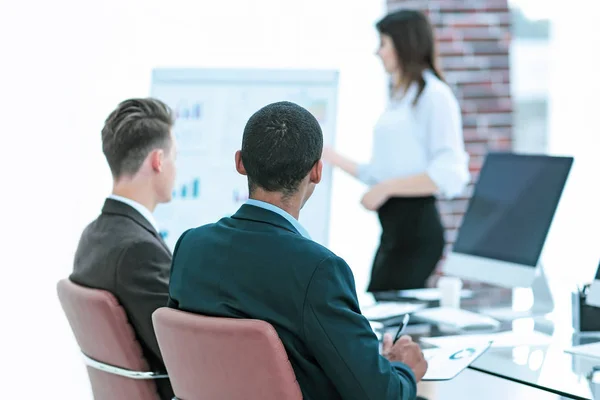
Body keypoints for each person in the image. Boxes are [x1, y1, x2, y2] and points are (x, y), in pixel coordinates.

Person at [168, 101, 427, 400]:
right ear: (317, 171)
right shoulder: (319, 270)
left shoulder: (189, 247)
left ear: (240, 163)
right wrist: (404, 370)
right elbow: (382, 396)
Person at [323, 9, 470, 293]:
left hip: (416, 232)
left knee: (389, 314)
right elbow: (380, 172)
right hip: (394, 231)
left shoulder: (434, 96)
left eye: (383, 44)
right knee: (379, 308)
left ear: (403, 45)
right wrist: (331, 157)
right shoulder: (400, 98)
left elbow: (450, 173)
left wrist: (386, 188)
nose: (377, 53)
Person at [70, 98, 177, 400]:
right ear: (158, 160)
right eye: (175, 158)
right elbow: (183, 351)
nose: (176, 168)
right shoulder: (138, 251)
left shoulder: (93, 235)